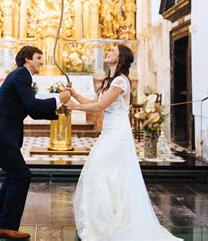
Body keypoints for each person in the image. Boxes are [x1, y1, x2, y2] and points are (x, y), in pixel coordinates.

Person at [65, 44, 182, 241]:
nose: (107, 52)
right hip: (108, 133)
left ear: (121, 58)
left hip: (117, 135)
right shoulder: (109, 80)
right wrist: (75, 94)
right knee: (103, 172)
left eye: (112, 50)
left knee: (100, 169)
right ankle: (107, 218)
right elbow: (93, 100)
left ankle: (111, 220)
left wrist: (75, 107)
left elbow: (101, 106)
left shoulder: (121, 81)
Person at [0, 45, 71, 240]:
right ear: (27, 59)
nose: (42, 62)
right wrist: (58, 98)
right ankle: (5, 226)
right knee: (21, 176)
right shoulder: (22, 74)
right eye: (38, 58)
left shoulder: (22, 76)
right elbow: (33, 105)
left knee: (14, 175)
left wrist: (57, 109)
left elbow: (33, 110)